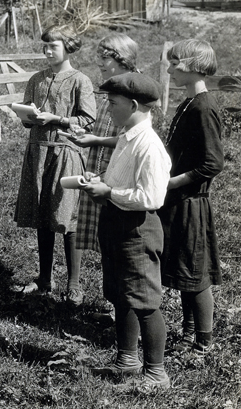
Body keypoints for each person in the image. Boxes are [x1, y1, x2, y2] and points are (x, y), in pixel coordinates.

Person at [82, 73, 171, 390]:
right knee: (121, 295)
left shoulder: (149, 146)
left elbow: (152, 198)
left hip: (138, 228)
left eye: (112, 102)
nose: (107, 109)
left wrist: (108, 193)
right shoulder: (126, 136)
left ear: (134, 105)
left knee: (144, 301)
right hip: (116, 223)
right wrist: (103, 183)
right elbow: (122, 180)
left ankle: (156, 373)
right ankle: (127, 358)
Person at [14, 25, 95, 303]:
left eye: (54, 47)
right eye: (45, 47)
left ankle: (74, 285)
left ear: (68, 48)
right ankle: (44, 278)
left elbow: (87, 119)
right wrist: (27, 117)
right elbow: (27, 113)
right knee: (42, 213)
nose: (48, 52)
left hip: (67, 153)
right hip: (38, 153)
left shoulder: (80, 80)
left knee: (67, 215)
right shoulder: (36, 79)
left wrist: (57, 120)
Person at [159, 39, 224, 354]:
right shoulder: (188, 102)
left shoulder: (204, 106)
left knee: (196, 275)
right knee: (184, 269)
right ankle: (187, 335)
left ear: (194, 66)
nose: (170, 69)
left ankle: (202, 343)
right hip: (178, 202)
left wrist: (173, 183)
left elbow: (213, 163)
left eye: (175, 63)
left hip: (191, 203)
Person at [72, 33, 140, 308]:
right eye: (99, 56)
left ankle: (123, 306)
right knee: (105, 238)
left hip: (121, 173)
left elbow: (134, 138)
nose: (99, 62)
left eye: (105, 57)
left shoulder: (137, 90)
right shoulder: (111, 88)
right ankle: (113, 304)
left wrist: (96, 140)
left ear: (121, 59)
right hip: (100, 170)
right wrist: (84, 132)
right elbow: (104, 127)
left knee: (120, 241)